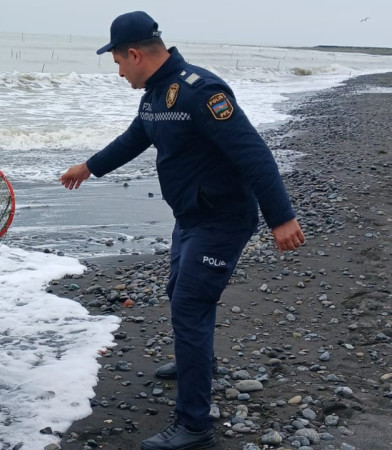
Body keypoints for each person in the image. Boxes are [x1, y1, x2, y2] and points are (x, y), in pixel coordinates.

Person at [59, 11, 305, 450]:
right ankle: (199, 364)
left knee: (189, 307)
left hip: (222, 220)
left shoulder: (201, 91)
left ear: (135, 54)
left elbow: (255, 155)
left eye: (117, 61)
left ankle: (195, 428)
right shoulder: (155, 94)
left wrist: (281, 218)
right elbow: (136, 138)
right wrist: (89, 167)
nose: (118, 71)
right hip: (191, 218)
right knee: (181, 293)